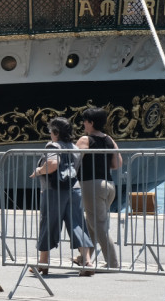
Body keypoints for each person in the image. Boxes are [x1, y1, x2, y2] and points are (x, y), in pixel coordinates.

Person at [30, 117, 93, 275]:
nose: (50, 134)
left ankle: (43, 262)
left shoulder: (53, 145)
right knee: (78, 224)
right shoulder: (75, 148)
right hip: (74, 189)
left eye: (50, 131)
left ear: (56, 132)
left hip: (54, 190)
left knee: (48, 224)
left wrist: (38, 171)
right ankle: (87, 262)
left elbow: (52, 164)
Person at [76, 107, 122, 269]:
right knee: (93, 224)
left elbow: (73, 161)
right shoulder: (110, 140)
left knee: (99, 225)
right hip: (109, 185)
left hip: (91, 184)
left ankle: (113, 262)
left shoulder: (85, 140)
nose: (83, 124)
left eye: (85, 121)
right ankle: (84, 258)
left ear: (91, 122)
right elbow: (117, 164)